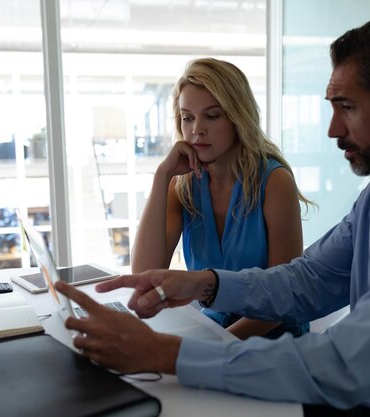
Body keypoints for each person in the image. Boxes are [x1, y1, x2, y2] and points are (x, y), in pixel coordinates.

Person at [55, 14, 370, 417]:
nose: (334, 130)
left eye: (348, 108)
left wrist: (163, 352)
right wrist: (205, 283)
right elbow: (306, 281)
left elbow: (347, 364)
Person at [130, 57, 312, 340]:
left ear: (238, 117)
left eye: (212, 116)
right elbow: (144, 275)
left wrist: (215, 345)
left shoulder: (275, 182)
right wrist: (162, 175)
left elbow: (283, 299)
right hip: (214, 330)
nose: (196, 130)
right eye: (187, 117)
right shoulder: (183, 185)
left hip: (271, 336)